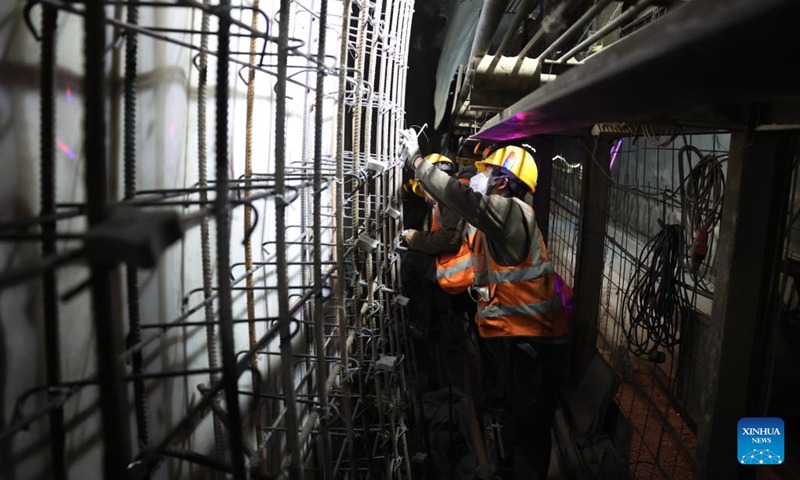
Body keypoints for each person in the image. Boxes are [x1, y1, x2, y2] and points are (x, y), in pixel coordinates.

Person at [400, 130, 569, 480]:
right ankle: (508, 468)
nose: (479, 177)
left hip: (533, 344)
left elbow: (462, 199)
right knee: (517, 420)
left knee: (527, 427)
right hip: (522, 339)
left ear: (503, 183)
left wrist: (417, 162)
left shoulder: (509, 213)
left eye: (487, 171)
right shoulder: (506, 219)